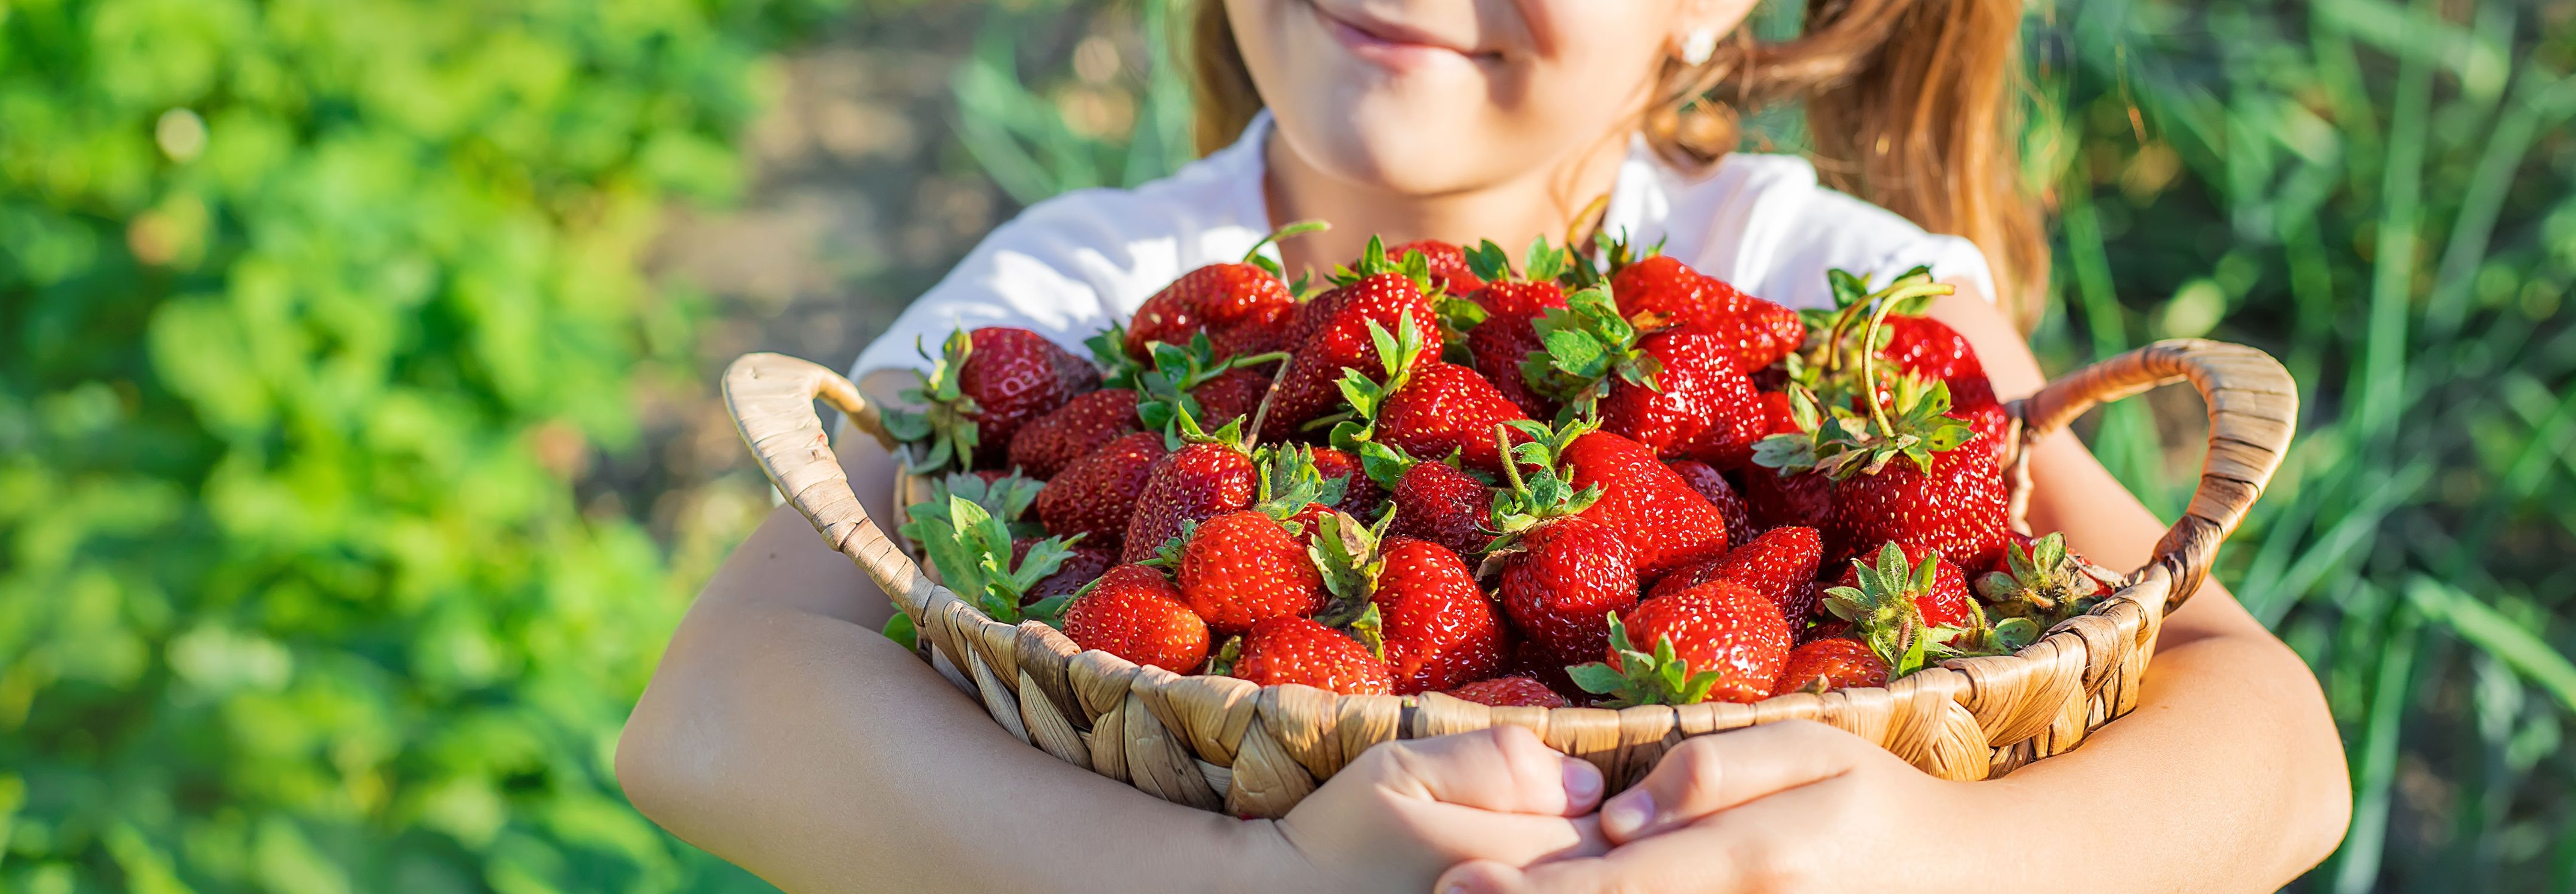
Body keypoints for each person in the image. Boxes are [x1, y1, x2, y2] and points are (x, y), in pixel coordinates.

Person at [616, 0, 2353, 890]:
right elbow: (705, 722)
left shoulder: (1827, 300)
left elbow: (2274, 746)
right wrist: (1240, 883)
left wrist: (1935, 861)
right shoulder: (1091, 304)